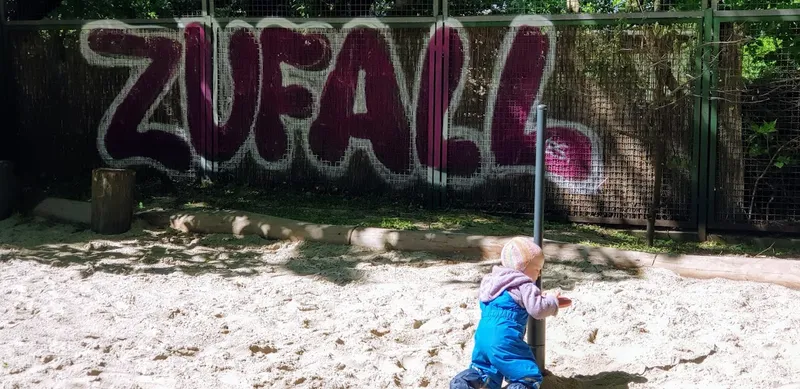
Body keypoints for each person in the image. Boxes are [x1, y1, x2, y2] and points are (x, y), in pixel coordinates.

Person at [450, 236, 572, 389]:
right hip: (505, 338)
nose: (539, 274)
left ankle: (466, 383)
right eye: (537, 269)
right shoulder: (524, 283)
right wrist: (552, 300)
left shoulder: (491, 280)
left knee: (484, 373)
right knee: (528, 376)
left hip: (483, 336)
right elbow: (538, 309)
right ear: (524, 266)